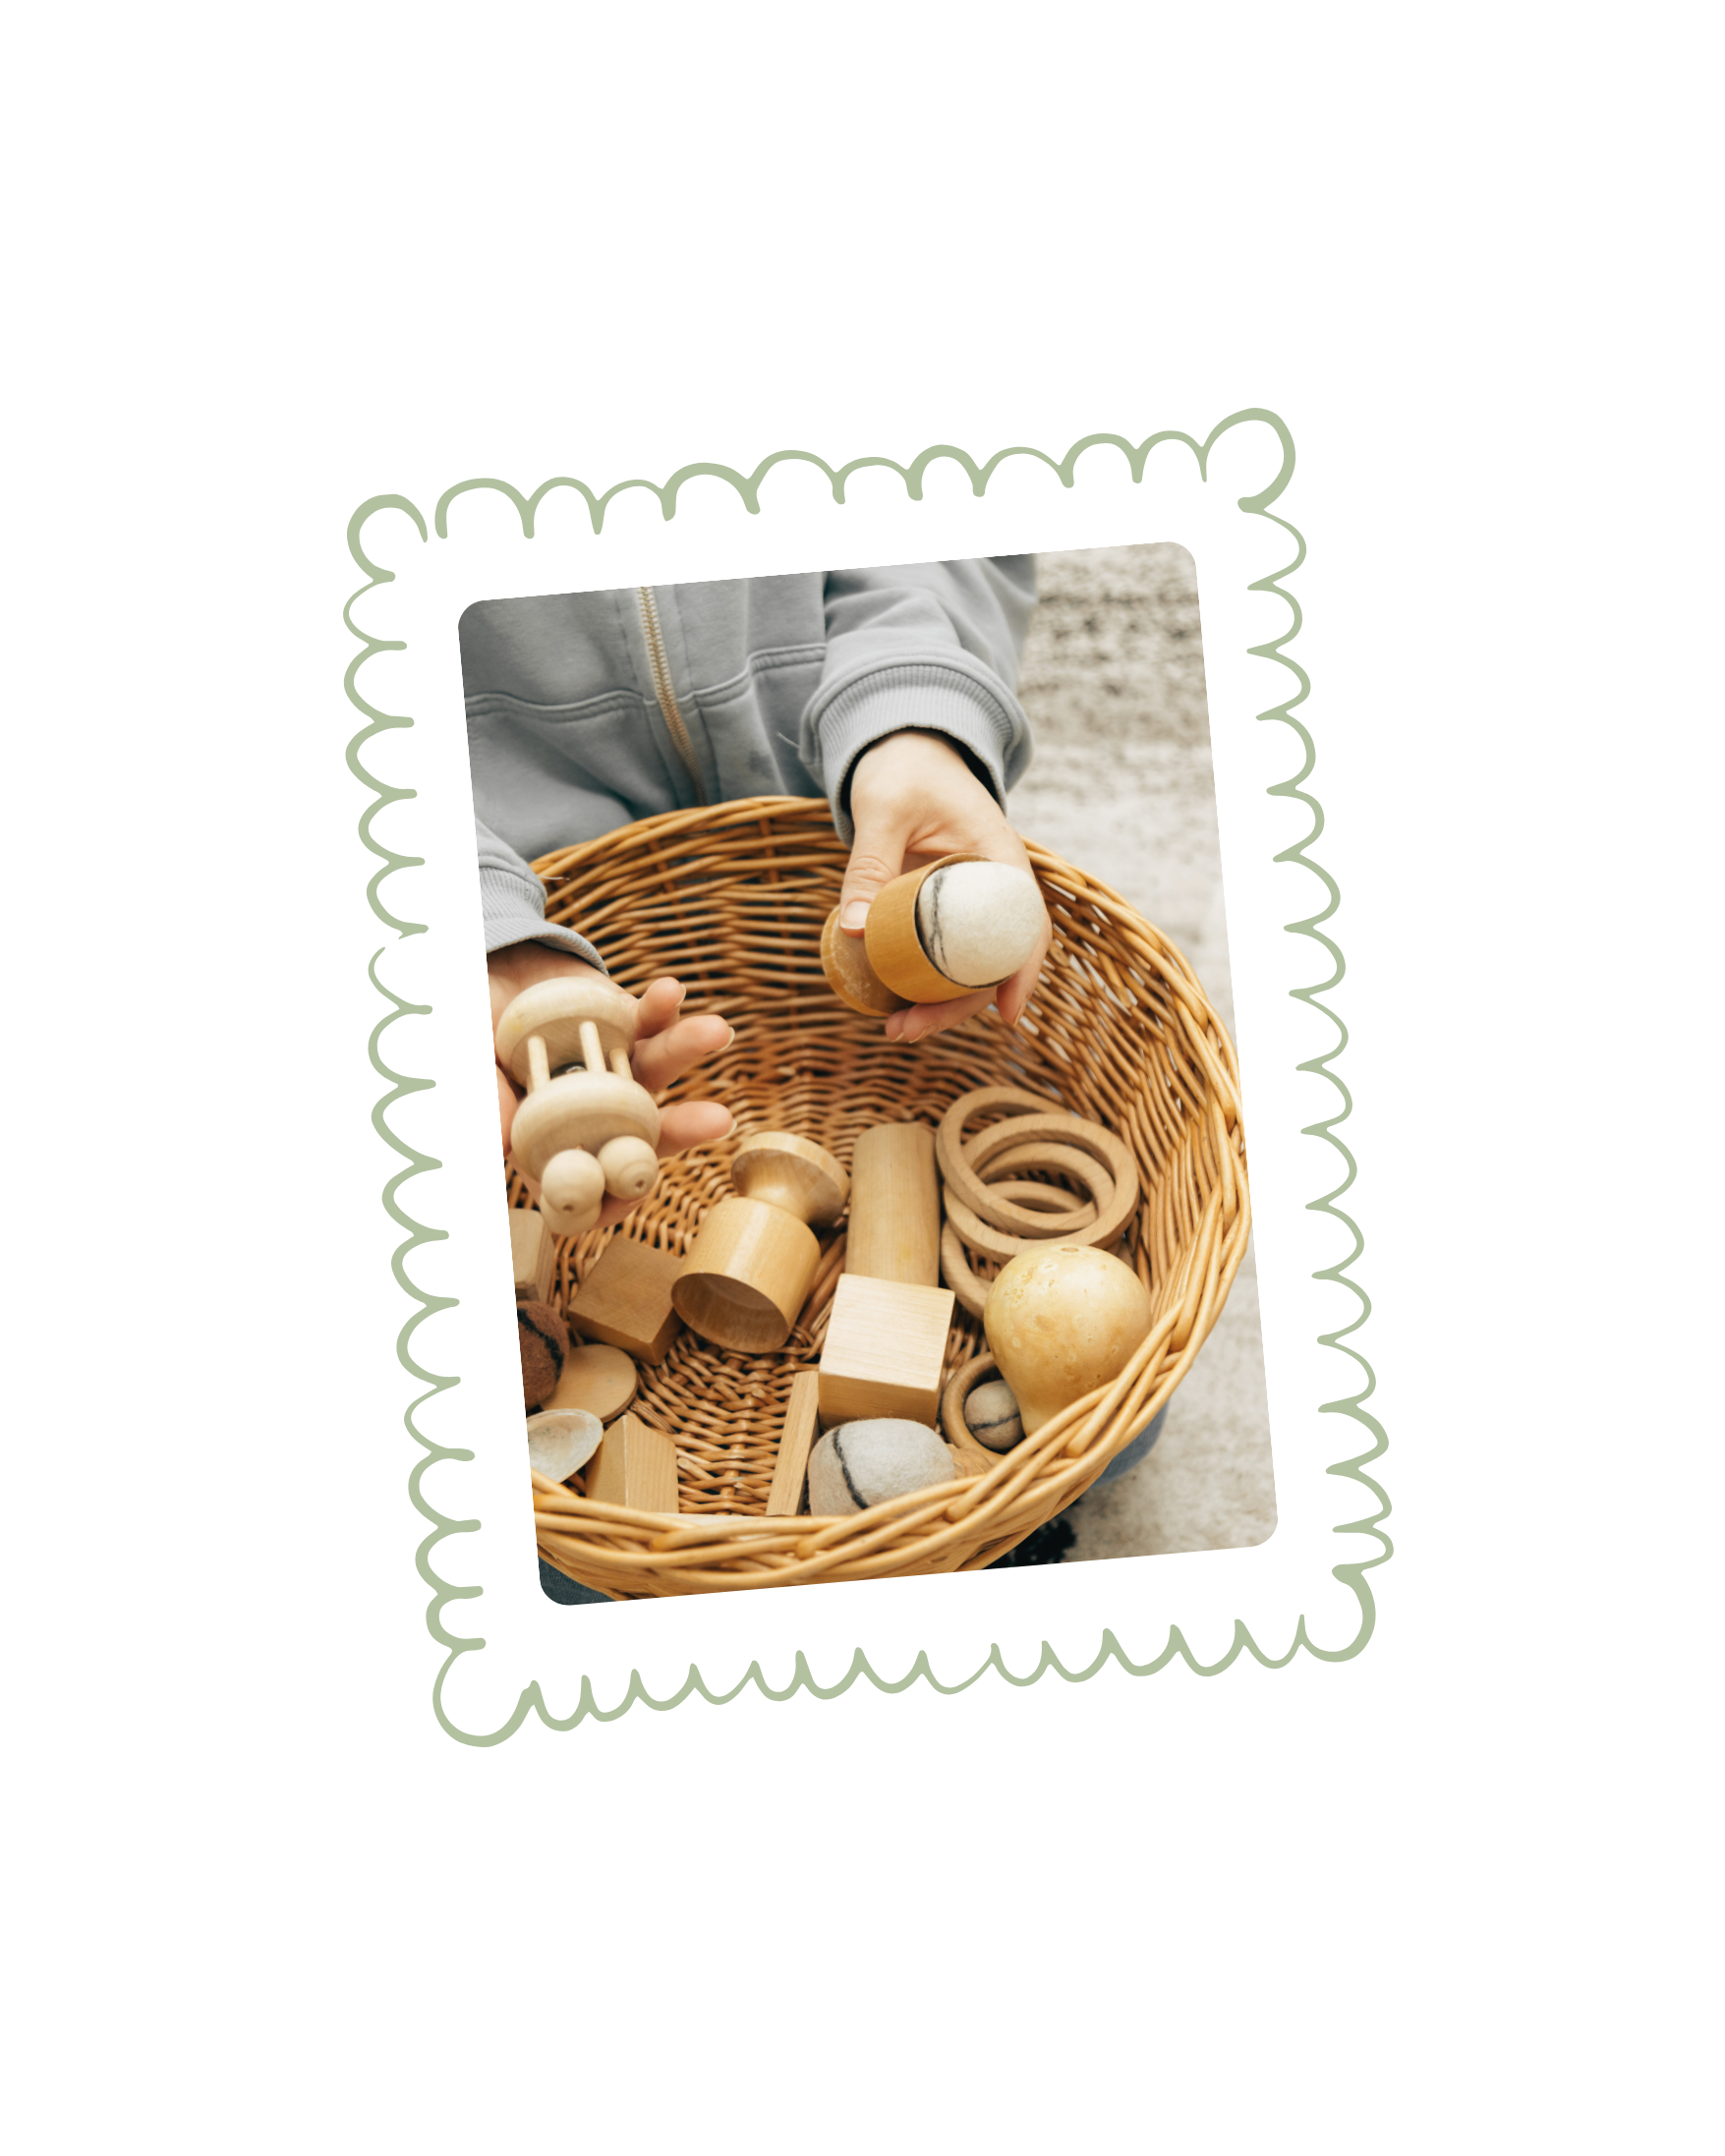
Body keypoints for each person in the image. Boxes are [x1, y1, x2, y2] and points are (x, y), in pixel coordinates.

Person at [466, 560, 1164, 1603]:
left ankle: (958, 1534)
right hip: (533, 899)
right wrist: (473, 916)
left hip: (841, 822)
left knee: (1117, 1408)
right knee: (522, 1525)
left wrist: (914, 715)